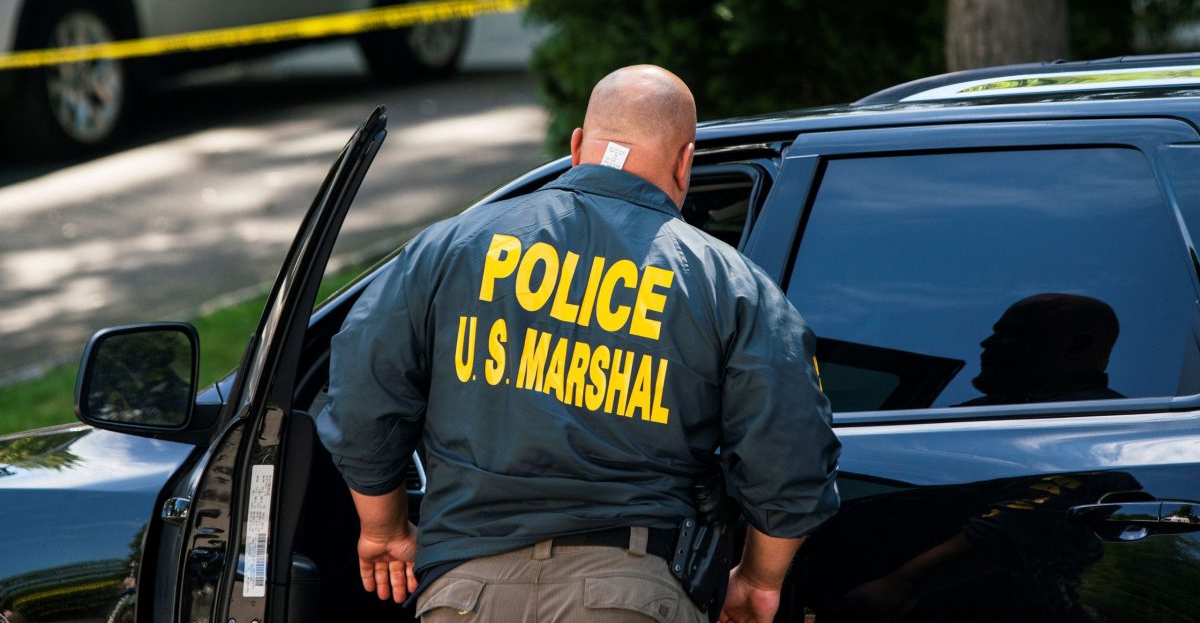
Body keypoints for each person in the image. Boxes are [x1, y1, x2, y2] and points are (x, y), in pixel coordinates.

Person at [316, 64, 840, 623]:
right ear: (686, 161)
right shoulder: (728, 284)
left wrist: (385, 529)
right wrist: (758, 580)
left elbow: (361, 397)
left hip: (465, 596)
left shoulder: (450, 247)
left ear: (576, 147)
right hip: (632, 596)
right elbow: (792, 453)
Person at [959, 293, 1123, 406]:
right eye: (997, 333)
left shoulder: (1109, 421)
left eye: (1013, 334)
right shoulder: (970, 414)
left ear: (1077, 345)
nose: (986, 343)